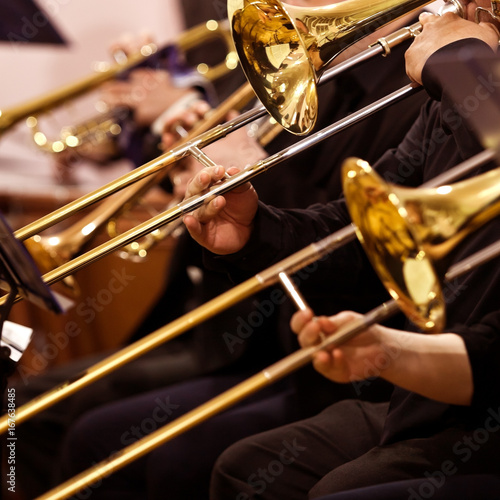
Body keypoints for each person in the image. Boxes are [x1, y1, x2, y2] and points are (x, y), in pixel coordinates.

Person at [10, 1, 433, 499]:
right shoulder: (323, 72)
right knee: (37, 405)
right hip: (231, 317)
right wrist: (193, 167)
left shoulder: (407, 88)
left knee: (107, 437)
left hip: (306, 341)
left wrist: (259, 172)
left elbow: (348, 239)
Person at [168, 8, 500, 499]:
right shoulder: (452, 95)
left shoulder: (464, 77)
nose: (466, 9)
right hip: (425, 400)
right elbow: (358, 227)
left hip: (478, 398)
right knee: (246, 468)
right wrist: (256, 230)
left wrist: (464, 63)